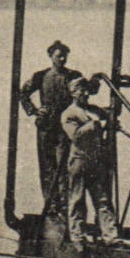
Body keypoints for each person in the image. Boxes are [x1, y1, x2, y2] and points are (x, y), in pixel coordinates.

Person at [18, 40, 81, 218]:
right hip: (46, 126)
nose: (62, 59)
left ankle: (65, 204)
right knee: (47, 166)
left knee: (65, 164)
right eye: (58, 56)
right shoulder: (40, 76)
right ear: (50, 56)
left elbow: (86, 89)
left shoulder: (73, 75)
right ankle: (51, 204)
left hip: (66, 126)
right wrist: (35, 111)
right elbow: (23, 93)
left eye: (64, 56)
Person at [61, 76, 120, 247]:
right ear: (73, 93)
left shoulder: (93, 109)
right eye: (82, 91)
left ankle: (111, 236)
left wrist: (112, 113)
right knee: (77, 200)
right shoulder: (69, 114)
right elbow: (75, 135)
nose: (86, 94)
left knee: (102, 200)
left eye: (87, 90)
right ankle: (77, 236)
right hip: (79, 161)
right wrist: (93, 125)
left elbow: (111, 115)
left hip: (95, 162)